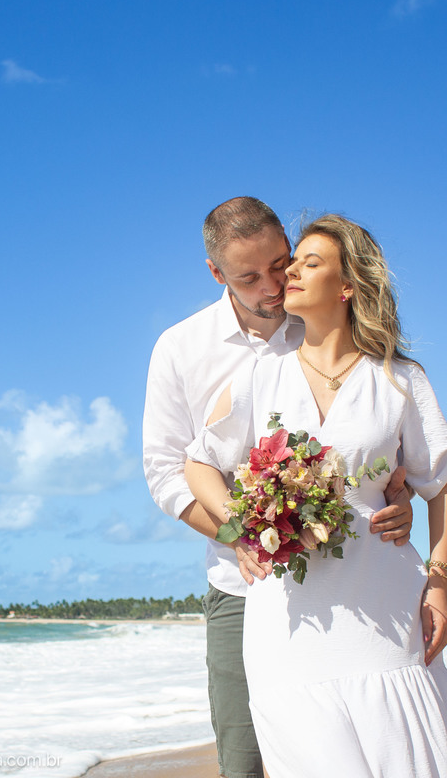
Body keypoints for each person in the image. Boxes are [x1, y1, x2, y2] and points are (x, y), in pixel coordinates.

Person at [184, 214, 447, 777]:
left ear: (347, 286)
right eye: (292, 262)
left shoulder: (400, 379)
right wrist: (244, 526)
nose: (289, 272)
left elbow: (442, 485)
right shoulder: (259, 376)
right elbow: (198, 465)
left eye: (308, 263)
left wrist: (438, 584)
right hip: (286, 622)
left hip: (385, 610)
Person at [141, 197, 413, 778]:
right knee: (244, 763)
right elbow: (167, 472)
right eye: (249, 277)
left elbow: (382, 432)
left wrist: (399, 494)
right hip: (241, 587)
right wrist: (243, 535)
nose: (272, 286)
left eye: (279, 264)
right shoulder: (180, 348)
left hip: (351, 589)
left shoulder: (324, 319)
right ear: (216, 273)